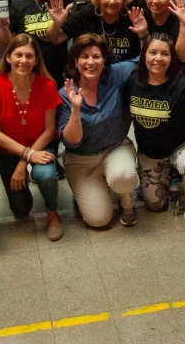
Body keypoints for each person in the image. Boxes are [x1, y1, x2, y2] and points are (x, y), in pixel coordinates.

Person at [126, 34, 185, 236]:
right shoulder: (133, 82)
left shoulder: (181, 82)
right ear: (144, 55)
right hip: (150, 153)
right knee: (155, 205)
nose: (158, 58)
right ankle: (168, 175)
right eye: (152, 52)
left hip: (180, 145)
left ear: (172, 58)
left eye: (164, 53)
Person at [0, 34, 64, 241]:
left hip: (42, 144)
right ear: (8, 57)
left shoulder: (47, 84)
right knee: (21, 210)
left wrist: (23, 162)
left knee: (45, 174)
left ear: (36, 60)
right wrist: (26, 155)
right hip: (7, 148)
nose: (23, 61)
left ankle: (52, 214)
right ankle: (26, 177)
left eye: (29, 56)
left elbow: (49, 130)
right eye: (18, 55)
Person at [57, 34, 140, 228]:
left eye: (96, 56)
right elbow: (72, 142)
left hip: (115, 148)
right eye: (84, 57)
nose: (91, 62)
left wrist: (143, 34)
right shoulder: (65, 94)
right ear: (75, 62)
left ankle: (126, 201)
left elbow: (145, 61)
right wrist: (75, 110)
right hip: (81, 161)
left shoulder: (116, 74)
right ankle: (90, 190)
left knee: (124, 177)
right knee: (98, 220)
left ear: (104, 60)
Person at [45, 0, 148, 64]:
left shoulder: (132, 17)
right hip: (90, 71)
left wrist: (143, 34)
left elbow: (145, 55)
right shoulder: (85, 14)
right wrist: (57, 24)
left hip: (125, 74)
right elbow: (55, 39)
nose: (112, 1)